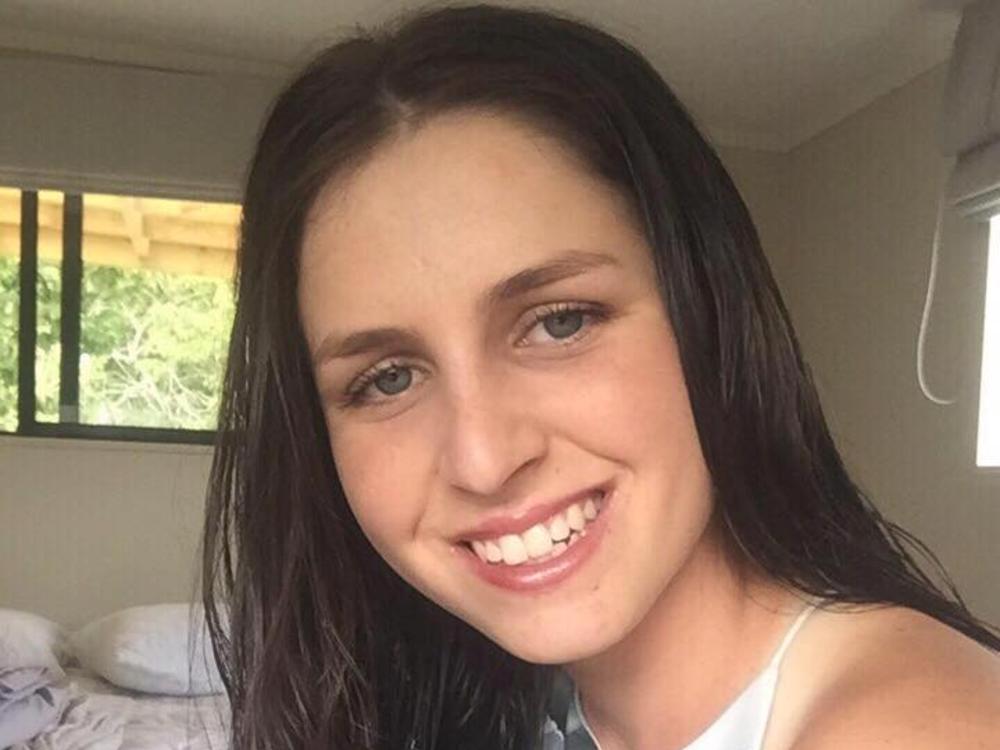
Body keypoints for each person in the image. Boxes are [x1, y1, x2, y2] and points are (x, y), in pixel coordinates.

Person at [201, 4, 1000, 749]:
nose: (483, 459)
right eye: (387, 379)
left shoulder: (911, 727)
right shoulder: (510, 697)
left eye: (560, 322)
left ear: (706, 310)